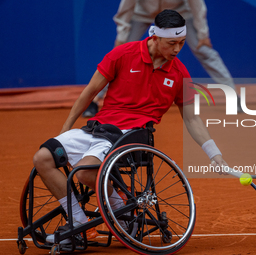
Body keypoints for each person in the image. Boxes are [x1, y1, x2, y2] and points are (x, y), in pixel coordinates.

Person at [33, 9, 227, 244]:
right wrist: (64, 130)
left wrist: (213, 153)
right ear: (154, 37)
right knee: (43, 157)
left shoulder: (179, 73)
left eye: (182, 43)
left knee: (84, 172)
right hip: (98, 129)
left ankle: (119, 207)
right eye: (172, 43)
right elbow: (89, 93)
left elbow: (192, 118)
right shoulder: (122, 54)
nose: (177, 49)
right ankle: (82, 224)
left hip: (133, 135)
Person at [82, 0, 241, 117]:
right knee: (120, 54)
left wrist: (203, 34)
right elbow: (125, 10)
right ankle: (95, 100)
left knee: (204, 51)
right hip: (141, 14)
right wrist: (122, 37)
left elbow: (197, 6)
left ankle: (233, 96)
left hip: (179, 14)